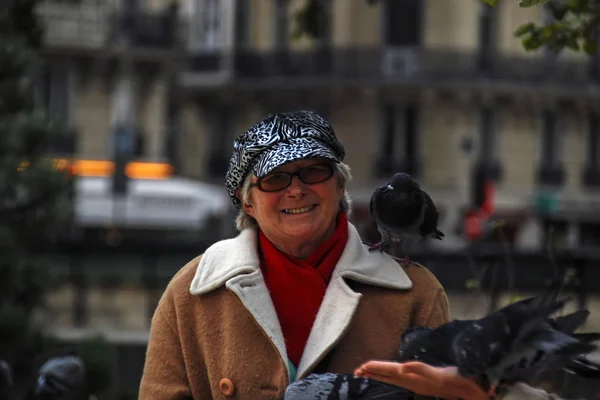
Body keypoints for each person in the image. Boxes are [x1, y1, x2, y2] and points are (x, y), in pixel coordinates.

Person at [138, 110, 545, 400]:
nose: (296, 190)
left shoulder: (414, 292)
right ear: (247, 203)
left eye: (313, 172)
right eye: (276, 178)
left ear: (338, 187)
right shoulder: (192, 291)